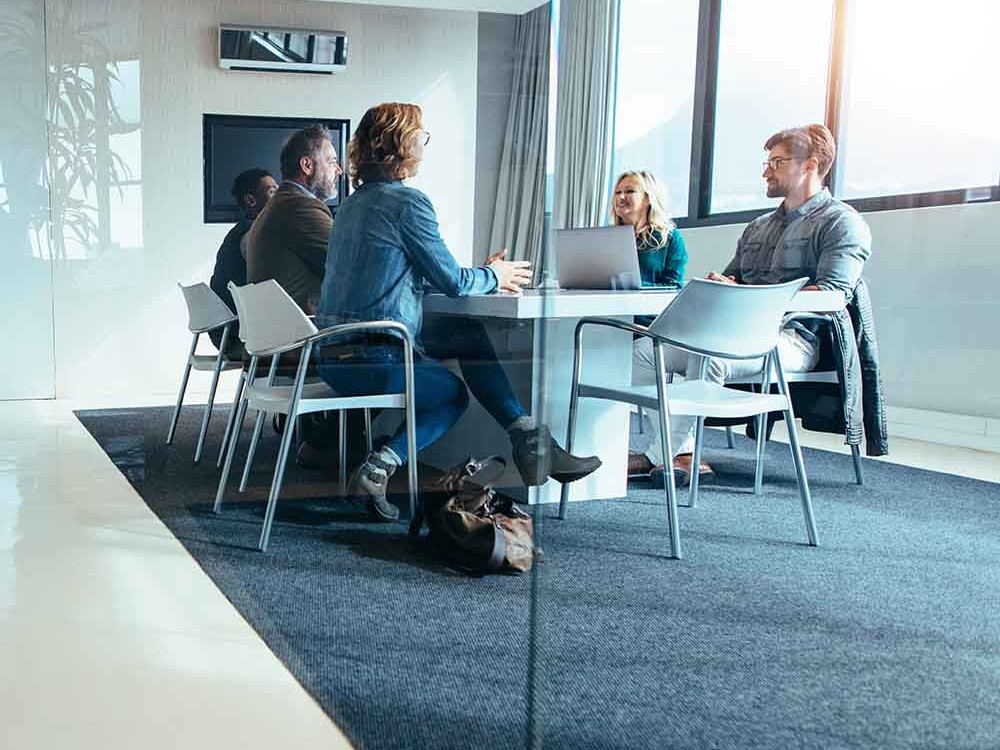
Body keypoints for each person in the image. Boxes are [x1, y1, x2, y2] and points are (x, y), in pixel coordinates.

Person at [315, 102, 601, 521]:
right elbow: (452, 282)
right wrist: (493, 273)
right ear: (402, 143)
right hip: (373, 358)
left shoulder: (350, 207)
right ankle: (379, 467)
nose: (424, 145)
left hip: (330, 356)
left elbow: (404, 275)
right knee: (452, 396)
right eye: (421, 136)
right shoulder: (408, 203)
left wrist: (481, 273)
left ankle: (532, 441)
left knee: (468, 335)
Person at [630, 123, 872, 485]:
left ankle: (658, 455)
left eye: (776, 162)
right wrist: (724, 285)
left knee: (706, 352)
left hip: (795, 339)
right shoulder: (758, 226)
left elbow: (835, 294)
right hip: (731, 334)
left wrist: (750, 298)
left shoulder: (842, 222)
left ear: (810, 164)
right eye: (767, 162)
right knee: (639, 355)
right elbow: (734, 280)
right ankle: (681, 452)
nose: (765, 171)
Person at [245, 124, 342, 314]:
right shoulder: (300, 208)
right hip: (306, 336)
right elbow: (348, 264)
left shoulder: (282, 203)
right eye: (331, 162)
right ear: (307, 165)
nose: (339, 170)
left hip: (279, 333)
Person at [209, 167, 278, 358]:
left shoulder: (241, 229)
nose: (280, 196)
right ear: (251, 201)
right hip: (239, 337)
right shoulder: (251, 234)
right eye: (272, 191)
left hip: (228, 332)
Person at [611, 170, 687, 291]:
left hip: (646, 307)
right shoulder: (606, 238)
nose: (620, 197)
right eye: (617, 192)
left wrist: (632, 285)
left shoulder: (670, 237)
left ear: (648, 198)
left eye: (630, 191)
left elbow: (675, 286)